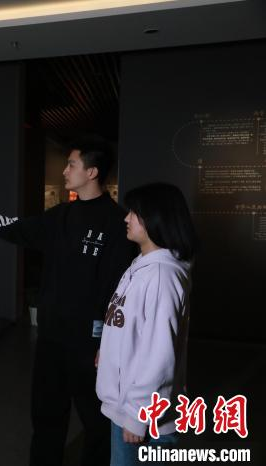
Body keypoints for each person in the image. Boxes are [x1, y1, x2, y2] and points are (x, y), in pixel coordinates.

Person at [0, 140, 136, 466]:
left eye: (71, 165)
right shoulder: (61, 215)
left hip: (90, 345)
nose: (65, 171)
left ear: (91, 172)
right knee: (46, 416)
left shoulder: (117, 222)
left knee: (98, 421)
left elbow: (120, 290)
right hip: (51, 338)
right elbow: (17, 229)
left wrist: (107, 341)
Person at [95, 183, 197, 466]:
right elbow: (131, 325)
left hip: (142, 418)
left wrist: (138, 415)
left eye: (134, 213)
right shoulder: (142, 264)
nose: (126, 218)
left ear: (156, 218)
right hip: (127, 407)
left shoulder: (162, 275)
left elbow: (159, 356)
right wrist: (109, 351)